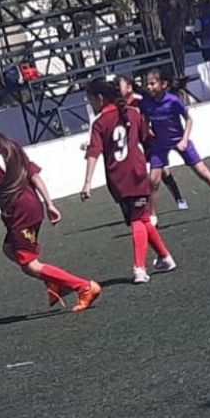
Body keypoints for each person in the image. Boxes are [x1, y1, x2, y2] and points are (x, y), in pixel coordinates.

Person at [0, 108, 101, 312]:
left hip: (18, 213)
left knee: (30, 265)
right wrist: (49, 203)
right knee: (9, 249)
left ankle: (84, 287)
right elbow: (34, 175)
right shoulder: (9, 145)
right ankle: (54, 283)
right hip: (33, 205)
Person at [81, 78, 176, 284]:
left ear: (99, 98)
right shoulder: (133, 114)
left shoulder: (99, 123)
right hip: (136, 173)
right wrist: (159, 163)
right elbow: (149, 141)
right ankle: (165, 257)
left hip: (118, 179)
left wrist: (87, 182)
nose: (91, 104)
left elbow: (93, 153)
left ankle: (140, 268)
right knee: (141, 219)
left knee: (137, 220)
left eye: (90, 100)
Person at [139, 68, 210, 224]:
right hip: (160, 143)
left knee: (202, 171)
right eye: (147, 84)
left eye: (152, 83)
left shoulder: (173, 101)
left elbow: (188, 120)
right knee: (153, 180)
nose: (149, 87)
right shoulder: (146, 103)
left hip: (179, 139)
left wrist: (184, 140)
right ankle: (152, 216)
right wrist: (148, 132)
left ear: (163, 84)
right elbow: (145, 120)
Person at [116, 75, 188, 211]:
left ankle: (178, 198)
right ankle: (141, 207)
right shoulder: (120, 106)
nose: (118, 89)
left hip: (149, 140)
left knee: (164, 172)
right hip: (136, 143)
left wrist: (150, 129)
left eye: (120, 85)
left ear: (130, 88)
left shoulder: (140, 101)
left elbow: (149, 116)